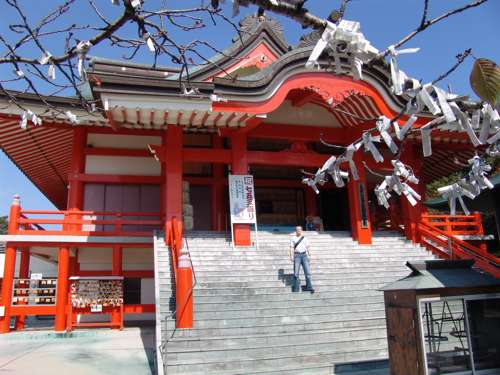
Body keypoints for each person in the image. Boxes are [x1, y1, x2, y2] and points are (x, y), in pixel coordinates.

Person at [289, 226, 314, 293]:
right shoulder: (293, 238)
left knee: (308, 273)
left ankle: (309, 287)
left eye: (300, 229)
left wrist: (310, 255)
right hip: (297, 255)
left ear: (301, 230)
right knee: (296, 273)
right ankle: (296, 288)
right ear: (296, 231)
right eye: (297, 230)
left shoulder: (305, 238)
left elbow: (308, 247)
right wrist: (291, 256)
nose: (298, 231)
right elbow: (291, 247)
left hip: (304, 255)